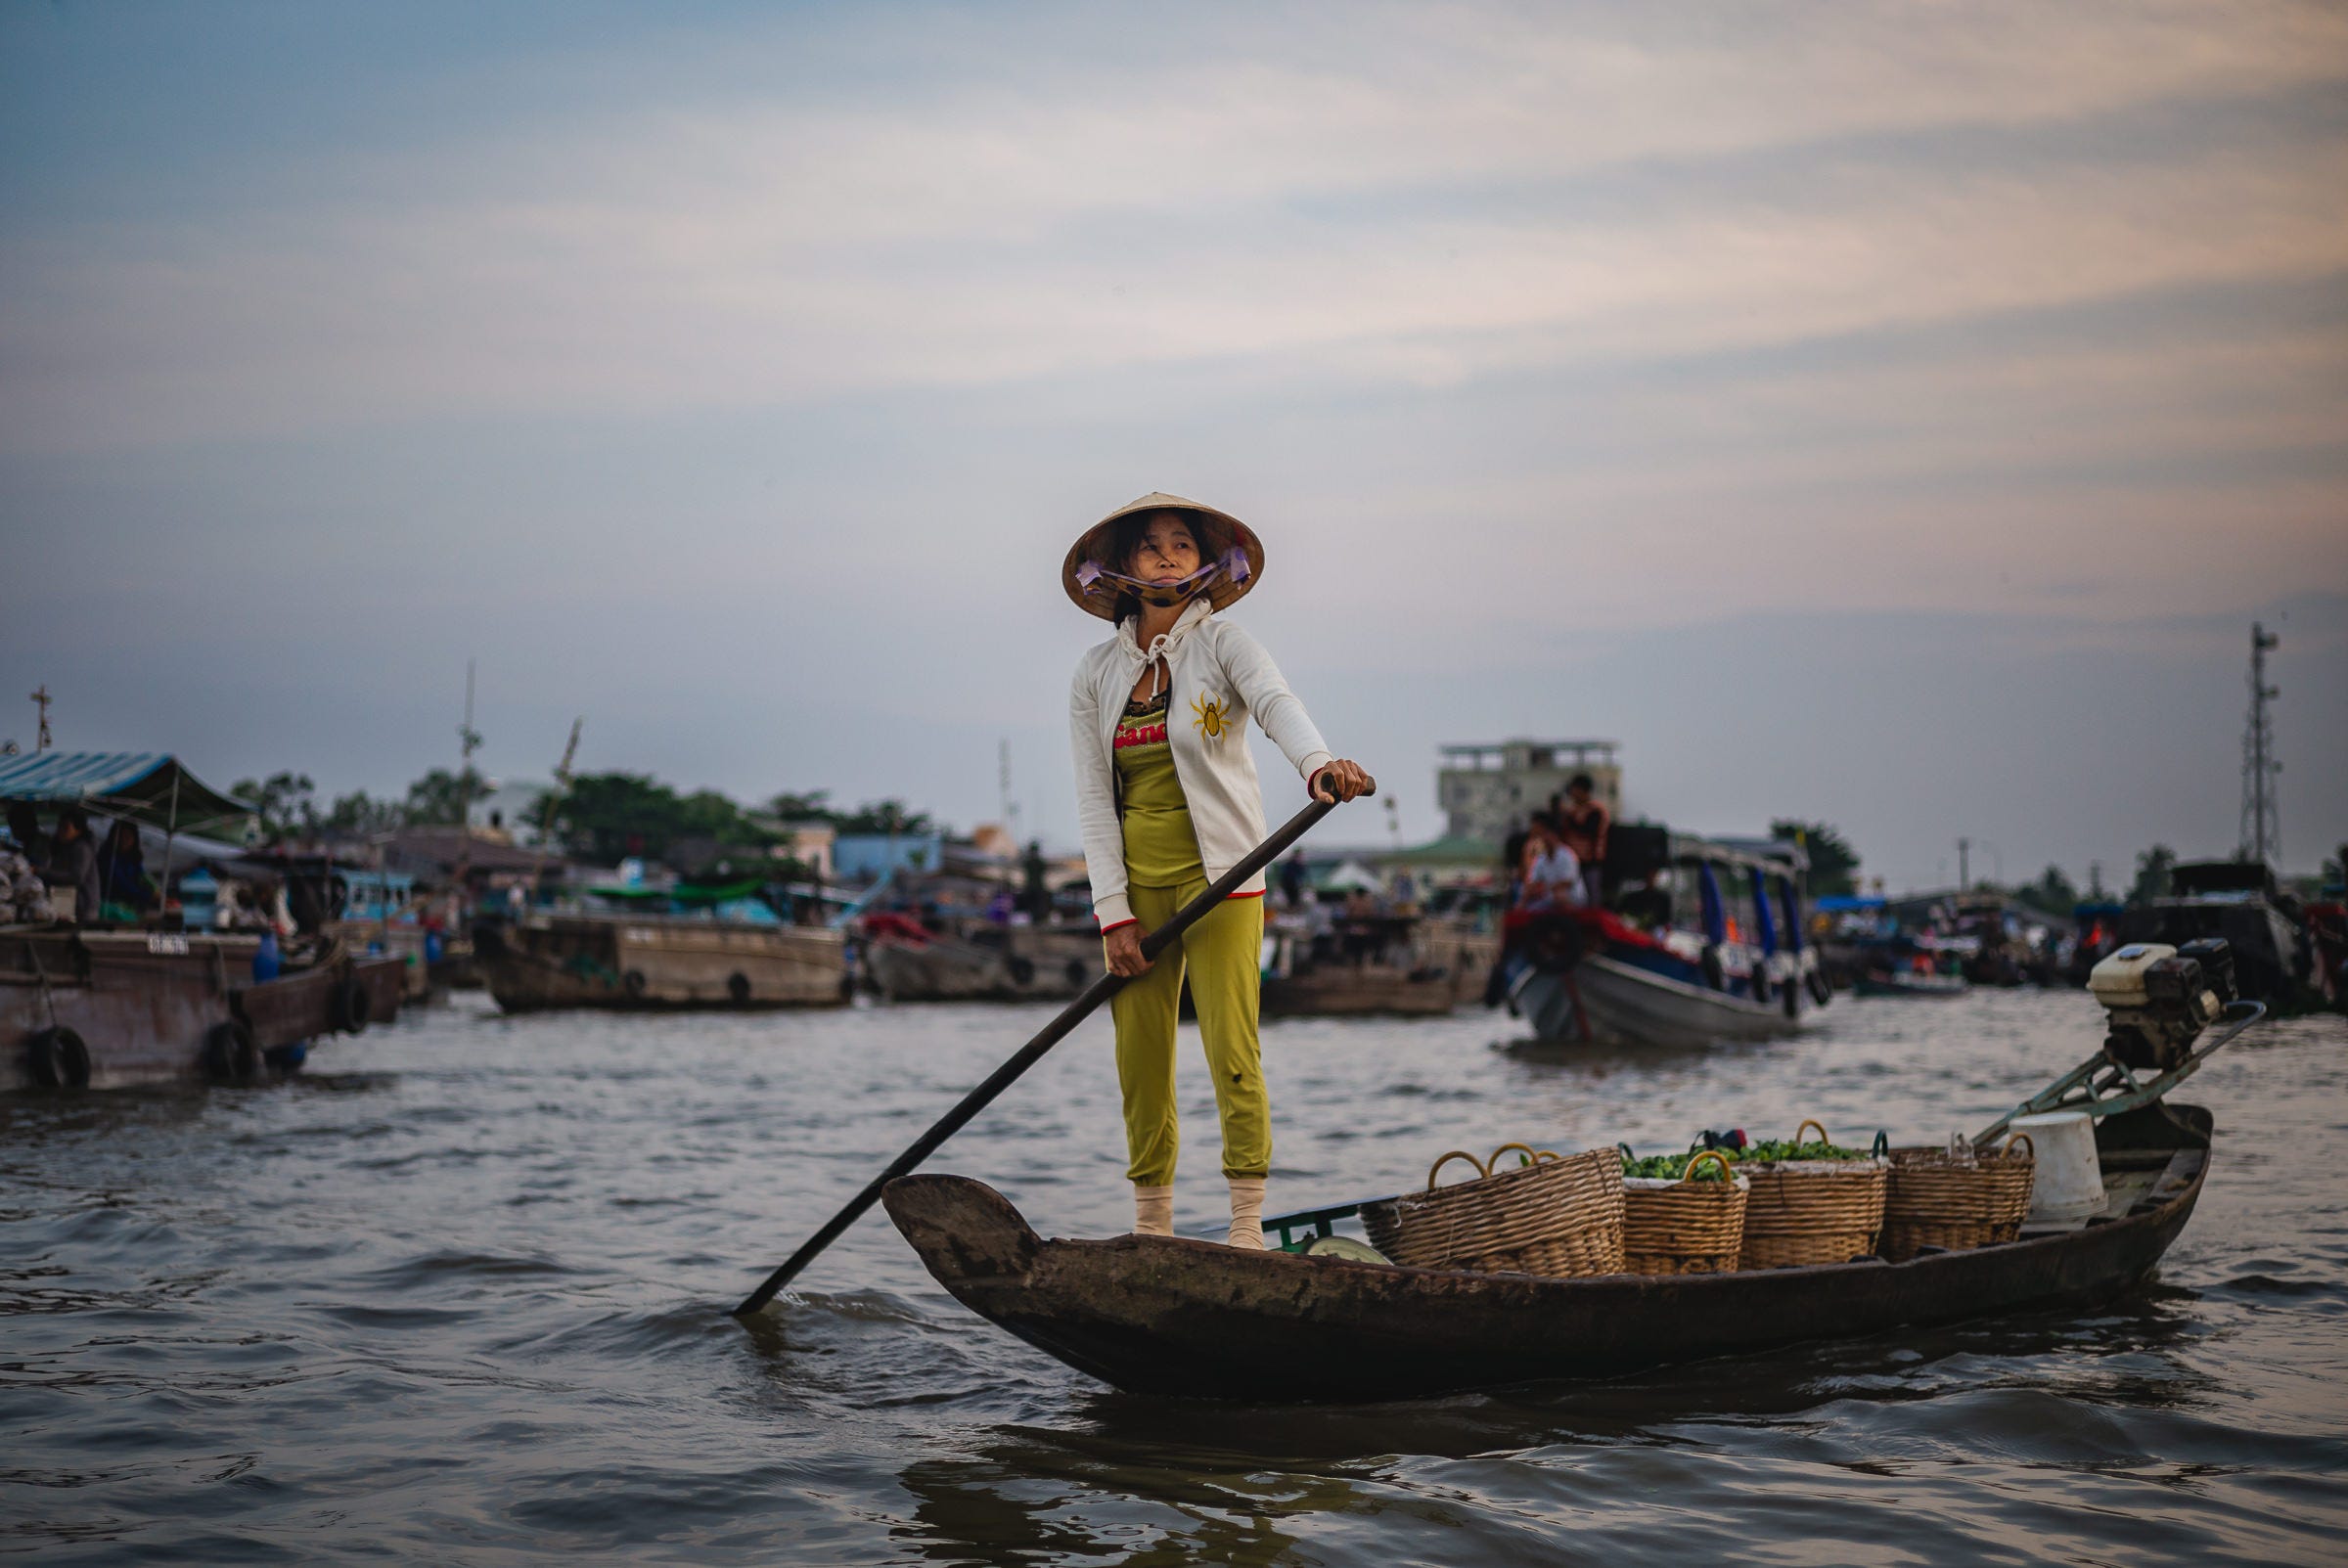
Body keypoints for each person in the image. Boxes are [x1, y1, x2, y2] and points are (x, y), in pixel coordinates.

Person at [1065, 492, 1371, 1247]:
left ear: (1204, 562)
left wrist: (1319, 765)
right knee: (1141, 1061)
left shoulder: (1225, 643)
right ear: (1124, 569)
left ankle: (1244, 1225)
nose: (1167, 554)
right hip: (1138, 890)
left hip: (1225, 878)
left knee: (1232, 1049)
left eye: (1180, 542)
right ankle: (1154, 1229)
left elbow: (1275, 703)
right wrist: (1113, 914)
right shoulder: (1095, 673)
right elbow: (1093, 802)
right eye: (1150, 545)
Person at [1556, 774, 1610, 908]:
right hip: (1573, 863)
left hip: (1591, 862)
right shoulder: (1573, 811)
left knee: (1592, 897)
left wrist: (1570, 817)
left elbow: (1587, 830)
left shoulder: (1596, 810)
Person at [46, 806, 103, 925]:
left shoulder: (82, 848)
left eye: (66, 827)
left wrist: (42, 872)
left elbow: (76, 877)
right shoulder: (61, 848)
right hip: (65, 904)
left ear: (78, 829)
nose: (61, 830)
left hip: (84, 908)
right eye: (59, 826)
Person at [1516, 815, 1584, 912]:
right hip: (1550, 898)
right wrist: (1524, 899)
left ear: (1554, 835)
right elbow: (1533, 881)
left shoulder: (1567, 855)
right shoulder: (1541, 858)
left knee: (1559, 896)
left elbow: (1567, 882)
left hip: (1571, 898)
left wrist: (1544, 889)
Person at [97, 820, 158, 915]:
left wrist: (155, 891)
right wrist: (148, 896)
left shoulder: (133, 858)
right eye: (121, 836)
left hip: (130, 908)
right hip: (110, 908)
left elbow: (143, 876)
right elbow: (122, 884)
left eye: (129, 836)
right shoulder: (107, 858)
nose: (125, 840)